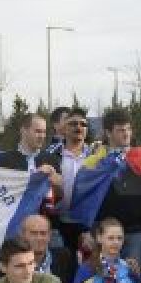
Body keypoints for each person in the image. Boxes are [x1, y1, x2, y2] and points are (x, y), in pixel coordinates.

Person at [86, 108, 141, 276]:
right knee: (102, 278)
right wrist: (87, 230)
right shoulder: (95, 161)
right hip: (103, 231)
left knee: (134, 278)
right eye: (121, 130)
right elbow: (86, 199)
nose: (126, 134)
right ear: (108, 132)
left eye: (128, 129)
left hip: (134, 231)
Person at [49, 107, 95, 251]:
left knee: (87, 270)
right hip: (57, 222)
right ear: (64, 129)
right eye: (73, 124)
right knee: (61, 268)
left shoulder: (97, 156)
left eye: (83, 124)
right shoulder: (49, 154)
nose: (78, 127)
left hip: (88, 224)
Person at [0, 214, 76, 283]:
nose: (39, 238)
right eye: (33, 233)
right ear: (22, 235)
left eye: (43, 233)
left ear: (49, 236)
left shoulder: (65, 257)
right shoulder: (4, 266)